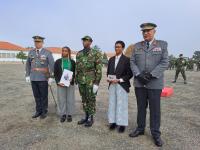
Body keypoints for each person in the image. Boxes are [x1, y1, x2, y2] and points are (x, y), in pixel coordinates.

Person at [129, 23, 169, 147]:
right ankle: (140, 128)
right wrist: (138, 74)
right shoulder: (137, 46)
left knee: (155, 110)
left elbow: (165, 62)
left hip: (154, 83)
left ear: (154, 31)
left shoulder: (162, 45)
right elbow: (132, 62)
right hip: (140, 83)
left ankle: (156, 133)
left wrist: (151, 75)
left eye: (148, 31)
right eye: (143, 31)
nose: (145, 33)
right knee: (141, 107)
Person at [76, 35, 102, 127]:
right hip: (81, 81)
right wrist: (76, 80)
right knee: (84, 99)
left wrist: (96, 83)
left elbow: (98, 69)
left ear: (91, 42)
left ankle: (91, 118)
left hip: (90, 81)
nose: (84, 42)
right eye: (83, 41)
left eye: (86, 41)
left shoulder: (96, 53)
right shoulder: (79, 54)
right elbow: (77, 68)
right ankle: (86, 116)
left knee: (91, 99)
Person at [25, 36, 54, 119]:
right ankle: (38, 110)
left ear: (42, 43)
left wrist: (51, 76)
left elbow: (52, 65)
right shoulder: (31, 52)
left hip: (43, 78)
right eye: (35, 42)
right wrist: (27, 75)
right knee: (36, 95)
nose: (37, 43)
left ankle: (44, 111)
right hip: (33, 78)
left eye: (39, 42)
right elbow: (28, 64)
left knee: (43, 96)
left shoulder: (47, 52)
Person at [107, 41, 133, 133]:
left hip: (122, 85)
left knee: (122, 105)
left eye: (118, 47)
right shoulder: (111, 59)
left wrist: (119, 80)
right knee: (112, 104)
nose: (116, 48)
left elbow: (129, 74)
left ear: (122, 48)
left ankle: (122, 124)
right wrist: (109, 79)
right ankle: (113, 122)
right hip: (112, 85)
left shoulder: (127, 60)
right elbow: (108, 72)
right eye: (115, 47)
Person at [54, 46, 75, 123]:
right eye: (63, 51)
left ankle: (69, 114)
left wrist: (72, 78)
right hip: (61, 83)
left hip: (70, 83)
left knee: (70, 99)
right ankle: (63, 114)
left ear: (68, 52)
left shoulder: (72, 62)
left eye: (66, 51)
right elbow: (55, 73)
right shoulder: (58, 61)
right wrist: (57, 82)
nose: (64, 52)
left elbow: (75, 72)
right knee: (61, 99)